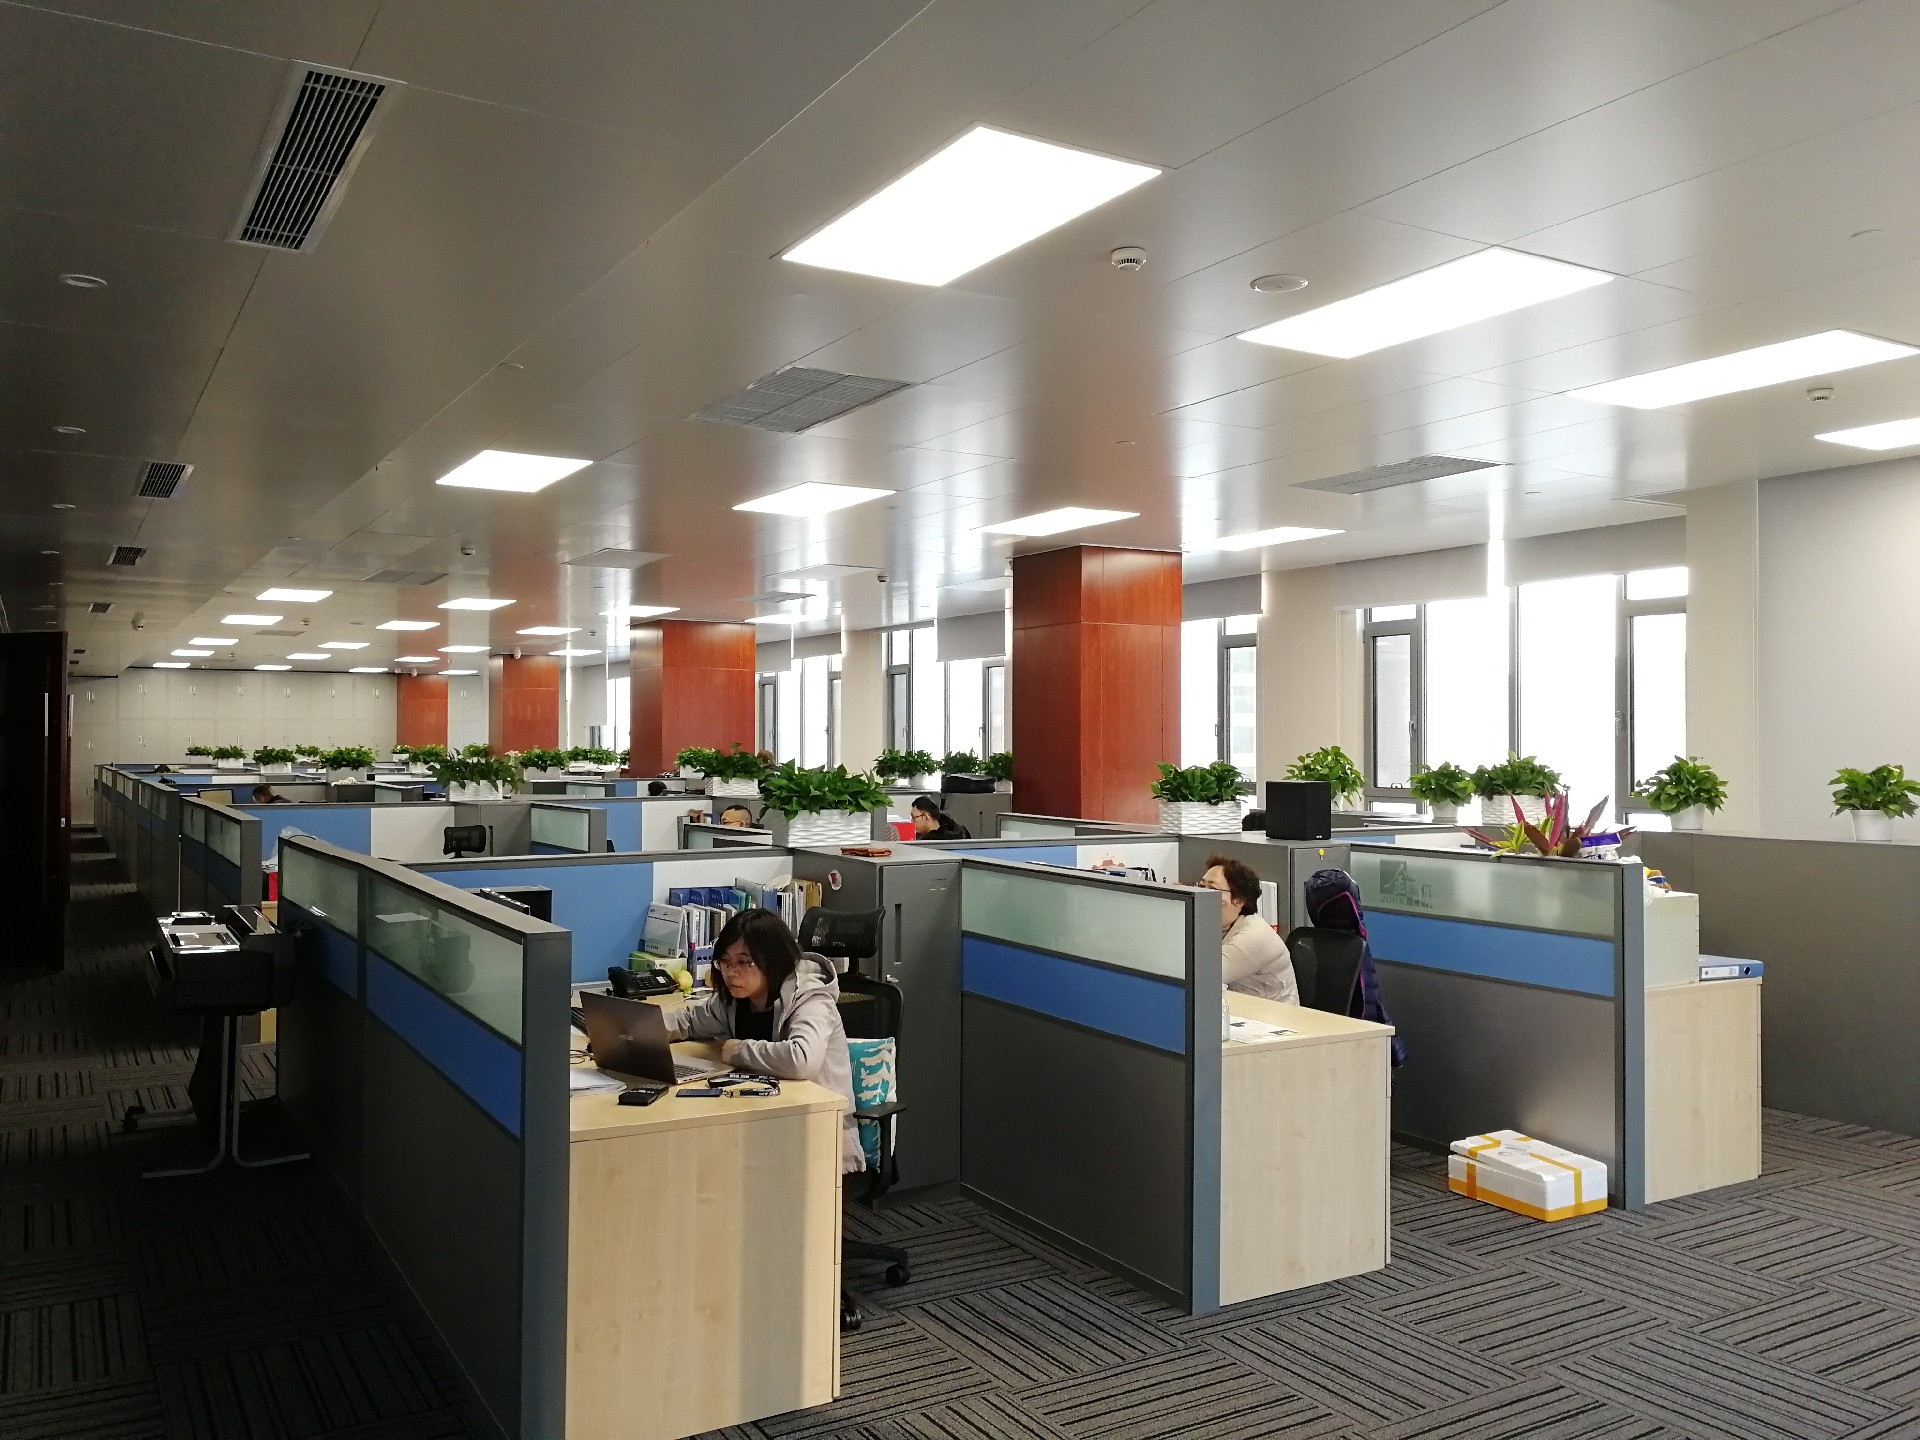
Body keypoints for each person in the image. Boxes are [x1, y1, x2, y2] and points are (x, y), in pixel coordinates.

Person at [662, 908, 864, 1172]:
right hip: (764, 1126)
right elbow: (687, 1021)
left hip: (821, 1141)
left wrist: (739, 1051)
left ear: (773, 960)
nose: (731, 972)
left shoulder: (810, 997)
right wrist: (632, 1029)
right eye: (725, 962)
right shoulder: (734, 1000)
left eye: (744, 962)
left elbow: (802, 1060)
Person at [1304, 868, 1406, 1066]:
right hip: (1358, 1051)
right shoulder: (1356, 948)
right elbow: (1370, 1008)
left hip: (1326, 1045)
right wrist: (1395, 1054)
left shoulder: (1311, 943)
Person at [1199, 854, 1298, 1004]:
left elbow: (1204, 976)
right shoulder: (1213, 925)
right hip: (1241, 1008)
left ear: (1238, 900)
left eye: (1212, 888)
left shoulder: (1254, 935)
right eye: (1201, 886)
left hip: (1272, 1015)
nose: (1201, 894)